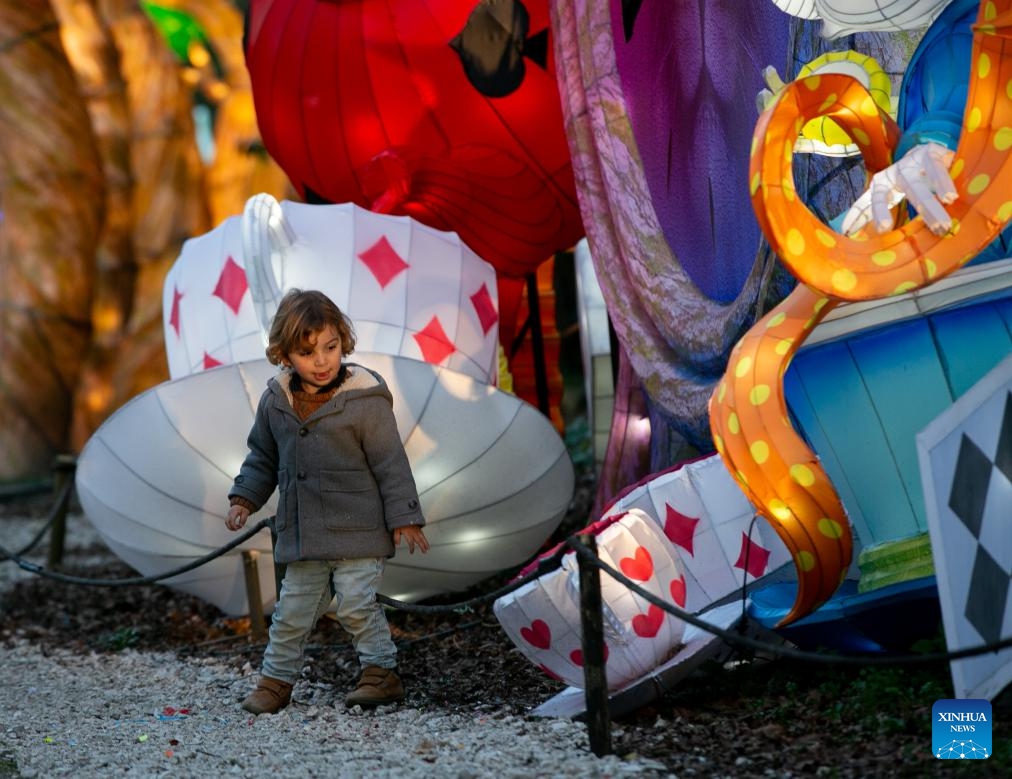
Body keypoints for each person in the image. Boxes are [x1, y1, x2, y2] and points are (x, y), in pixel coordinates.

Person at [225, 288, 429, 714]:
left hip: (359, 530)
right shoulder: (276, 402)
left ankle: (381, 673)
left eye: (331, 347)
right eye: (307, 352)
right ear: (284, 354)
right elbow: (263, 456)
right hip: (304, 534)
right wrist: (244, 497)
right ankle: (275, 681)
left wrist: (404, 516)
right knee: (292, 611)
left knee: (356, 604)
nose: (322, 361)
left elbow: (390, 461)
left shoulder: (364, 399)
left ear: (343, 341)